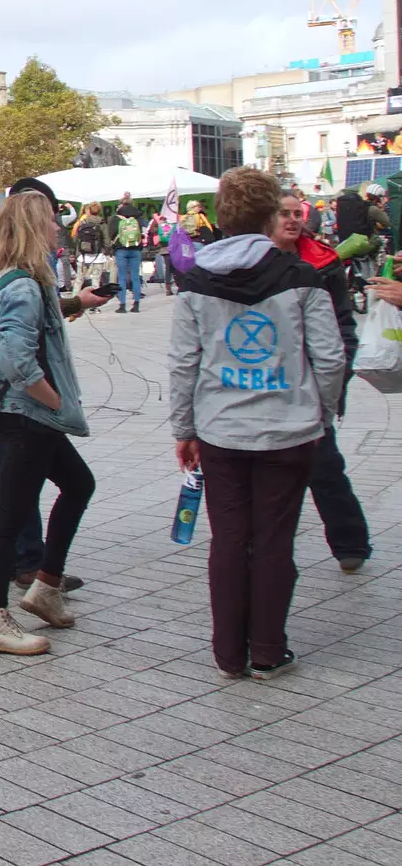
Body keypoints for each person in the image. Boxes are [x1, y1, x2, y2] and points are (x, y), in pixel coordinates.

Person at [170, 168, 344, 680]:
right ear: (272, 216)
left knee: (228, 540)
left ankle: (228, 653)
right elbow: (329, 358)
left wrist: (184, 428)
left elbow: (184, 363)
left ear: (221, 216)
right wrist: (323, 412)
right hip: (289, 430)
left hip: (222, 431)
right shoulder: (301, 278)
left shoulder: (195, 281)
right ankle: (268, 647)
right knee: (274, 540)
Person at [0, 189, 96, 655]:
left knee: (79, 484)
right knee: (7, 522)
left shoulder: (14, 277)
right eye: (49, 221)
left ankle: (46, 586)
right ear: (31, 227)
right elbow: (15, 359)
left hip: (26, 417)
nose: (57, 228)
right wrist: (56, 399)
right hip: (27, 416)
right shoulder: (22, 284)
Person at [271, 192, 370, 574]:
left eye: (298, 213)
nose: (293, 219)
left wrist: (336, 379)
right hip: (265, 383)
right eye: (284, 213)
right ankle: (265, 549)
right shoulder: (249, 262)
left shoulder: (322, 262)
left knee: (324, 465)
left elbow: (344, 325)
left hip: (313, 383)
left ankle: (350, 541)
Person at [111, 194, 144, 313]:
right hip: (136, 249)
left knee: (122, 277)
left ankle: (122, 305)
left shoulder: (116, 218)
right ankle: (136, 304)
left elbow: (111, 233)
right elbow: (143, 232)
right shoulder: (138, 216)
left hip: (121, 249)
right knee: (135, 276)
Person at [72, 202, 108, 287]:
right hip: (98, 256)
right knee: (96, 281)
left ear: (88, 210)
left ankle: (75, 298)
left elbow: (75, 238)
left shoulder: (83, 222)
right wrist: (105, 250)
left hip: (83, 256)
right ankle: (94, 299)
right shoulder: (102, 223)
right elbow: (107, 241)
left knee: (79, 281)